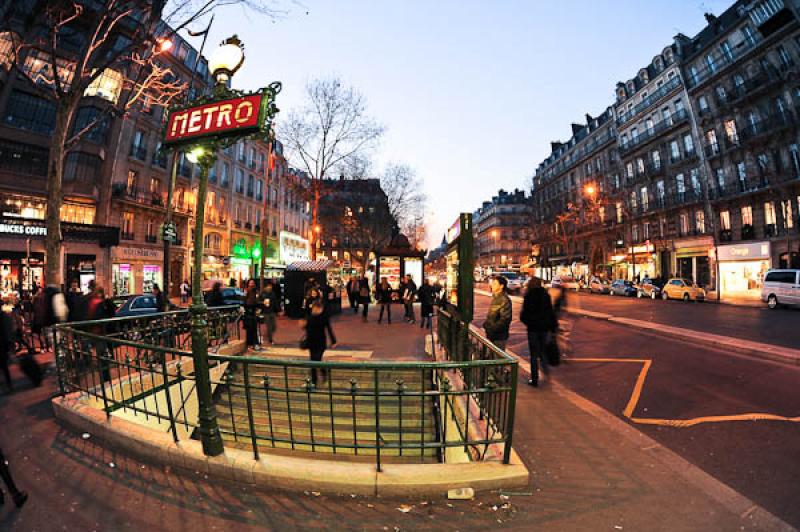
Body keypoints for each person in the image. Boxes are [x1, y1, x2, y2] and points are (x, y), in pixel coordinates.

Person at [520, 277, 558, 387]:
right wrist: (553, 328)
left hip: (533, 329)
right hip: (544, 329)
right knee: (543, 352)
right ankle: (546, 374)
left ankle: (534, 378)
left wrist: (529, 323)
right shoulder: (546, 296)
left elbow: (523, 315)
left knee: (533, 355)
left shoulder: (529, 296)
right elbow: (550, 313)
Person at [303, 300, 337, 386]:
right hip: (311, 342)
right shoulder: (310, 316)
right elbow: (307, 328)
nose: (315, 310)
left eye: (317, 309)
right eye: (314, 308)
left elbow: (329, 329)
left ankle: (323, 372)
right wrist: (303, 325)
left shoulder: (324, 317)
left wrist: (333, 341)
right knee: (313, 362)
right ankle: (314, 382)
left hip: (320, 343)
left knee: (317, 360)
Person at [483, 275, 512, 350]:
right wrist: (486, 325)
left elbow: (505, 319)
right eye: (492, 283)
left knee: (498, 357)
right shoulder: (496, 297)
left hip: (499, 336)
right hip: (492, 334)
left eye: (495, 284)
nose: (492, 285)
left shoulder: (504, 299)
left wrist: (492, 328)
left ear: (501, 286)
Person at [243, 279, 262, 349]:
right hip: (248, 309)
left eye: (253, 283)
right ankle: (251, 343)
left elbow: (257, 299)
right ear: (248, 284)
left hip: (254, 309)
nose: (252, 284)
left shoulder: (256, 291)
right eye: (250, 283)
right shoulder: (246, 290)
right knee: (250, 327)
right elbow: (244, 299)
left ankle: (253, 343)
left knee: (254, 327)